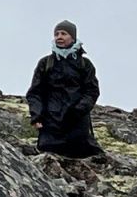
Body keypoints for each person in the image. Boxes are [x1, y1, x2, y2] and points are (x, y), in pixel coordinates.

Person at [26, 20, 103, 158]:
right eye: (56, 34)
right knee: (50, 158)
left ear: (73, 38)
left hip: (77, 124)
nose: (59, 37)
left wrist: (78, 110)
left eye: (63, 33)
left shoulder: (85, 64)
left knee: (81, 157)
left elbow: (92, 91)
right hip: (51, 124)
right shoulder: (45, 63)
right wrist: (36, 116)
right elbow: (35, 92)